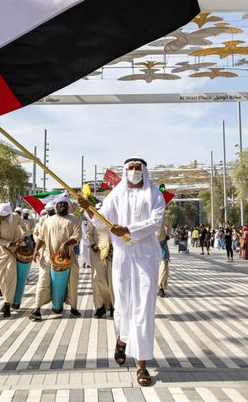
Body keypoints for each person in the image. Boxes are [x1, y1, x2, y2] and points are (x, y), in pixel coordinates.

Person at [78, 157, 166, 387]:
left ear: (144, 171)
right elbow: (101, 222)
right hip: (124, 258)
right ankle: (122, 338)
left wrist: (128, 229)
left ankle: (142, 364)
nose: (135, 171)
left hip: (146, 258)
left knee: (144, 307)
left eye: (138, 168)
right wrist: (89, 210)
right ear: (125, 171)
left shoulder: (155, 194)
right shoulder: (116, 195)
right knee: (124, 304)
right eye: (131, 168)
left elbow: (156, 222)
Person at [30, 194, 82, 321]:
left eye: (64, 204)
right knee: (43, 281)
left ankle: (73, 308)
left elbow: (77, 236)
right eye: (60, 204)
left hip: (68, 256)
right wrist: (36, 250)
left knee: (72, 281)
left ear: (68, 206)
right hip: (48, 257)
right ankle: (37, 310)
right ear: (56, 207)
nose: (62, 206)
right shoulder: (48, 221)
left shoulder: (74, 220)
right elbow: (41, 238)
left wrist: (65, 244)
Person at [0, 203, 25, 317]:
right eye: (1, 215)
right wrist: (9, 243)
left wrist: (22, 237)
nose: (2, 217)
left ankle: (7, 304)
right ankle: (6, 300)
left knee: (10, 277)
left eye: (5, 215)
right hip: (1, 251)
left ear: (10, 213)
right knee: (1, 279)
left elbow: (24, 228)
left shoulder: (16, 217)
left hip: (13, 252)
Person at [87, 207, 115, 316]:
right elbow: (89, 235)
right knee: (97, 279)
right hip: (97, 253)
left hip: (113, 253)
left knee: (112, 280)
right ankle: (100, 306)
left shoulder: (115, 219)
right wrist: (93, 244)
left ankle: (114, 306)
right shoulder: (93, 220)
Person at [157, 215, 171, 297]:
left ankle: (161, 288)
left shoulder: (163, 216)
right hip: (149, 244)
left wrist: (168, 235)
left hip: (162, 243)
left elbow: (169, 225)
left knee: (164, 265)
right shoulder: (145, 213)